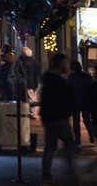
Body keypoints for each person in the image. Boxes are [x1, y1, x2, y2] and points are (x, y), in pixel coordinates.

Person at [40, 52, 77, 183]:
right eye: (66, 62)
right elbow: (67, 99)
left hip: (49, 118)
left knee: (49, 147)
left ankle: (46, 174)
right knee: (69, 144)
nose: (68, 65)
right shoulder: (59, 81)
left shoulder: (48, 80)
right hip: (59, 118)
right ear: (60, 64)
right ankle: (71, 174)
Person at [68, 60, 92, 145]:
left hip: (75, 102)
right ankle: (90, 132)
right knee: (87, 119)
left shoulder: (71, 77)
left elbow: (69, 90)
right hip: (86, 101)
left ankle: (77, 138)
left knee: (76, 121)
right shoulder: (87, 76)